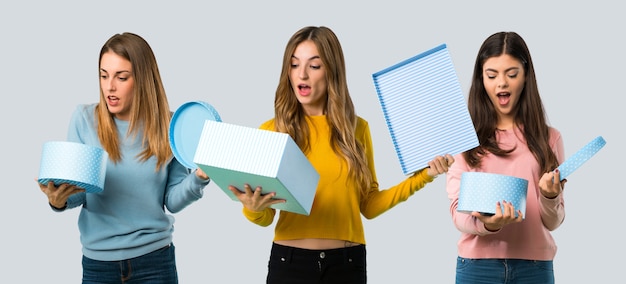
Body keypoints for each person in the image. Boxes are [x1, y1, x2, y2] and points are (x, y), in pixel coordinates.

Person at [227, 26, 454, 284]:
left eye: (314, 66)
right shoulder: (272, 131)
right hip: (289, 264)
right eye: (294, 64)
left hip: (346, 265)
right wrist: (251, 208)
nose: (302, 74)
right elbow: (265, 216)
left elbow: (368, 205)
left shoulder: (357, 129)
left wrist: (423, 176)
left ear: (332, 70)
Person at [37, 32, 210, 284]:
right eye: (103, 75)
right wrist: (59, 200)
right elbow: (80, 191)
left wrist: (200, 178)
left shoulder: (170, 126)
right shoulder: (84, 119)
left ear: (142, 79)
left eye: (122, 77)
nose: (109, 87)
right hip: (99, 266)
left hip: (155, 262)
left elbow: (172, 200)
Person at [445, 31, 566, 284]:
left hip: (535, 268)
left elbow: (553, 221)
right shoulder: (463, 139)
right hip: (477, 268)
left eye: (512, 74)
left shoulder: (550, 139)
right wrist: (489, 225)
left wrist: (550, 196)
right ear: (481, 79)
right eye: (492, 75)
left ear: (525, 77)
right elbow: (458, 214)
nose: (502, 83)